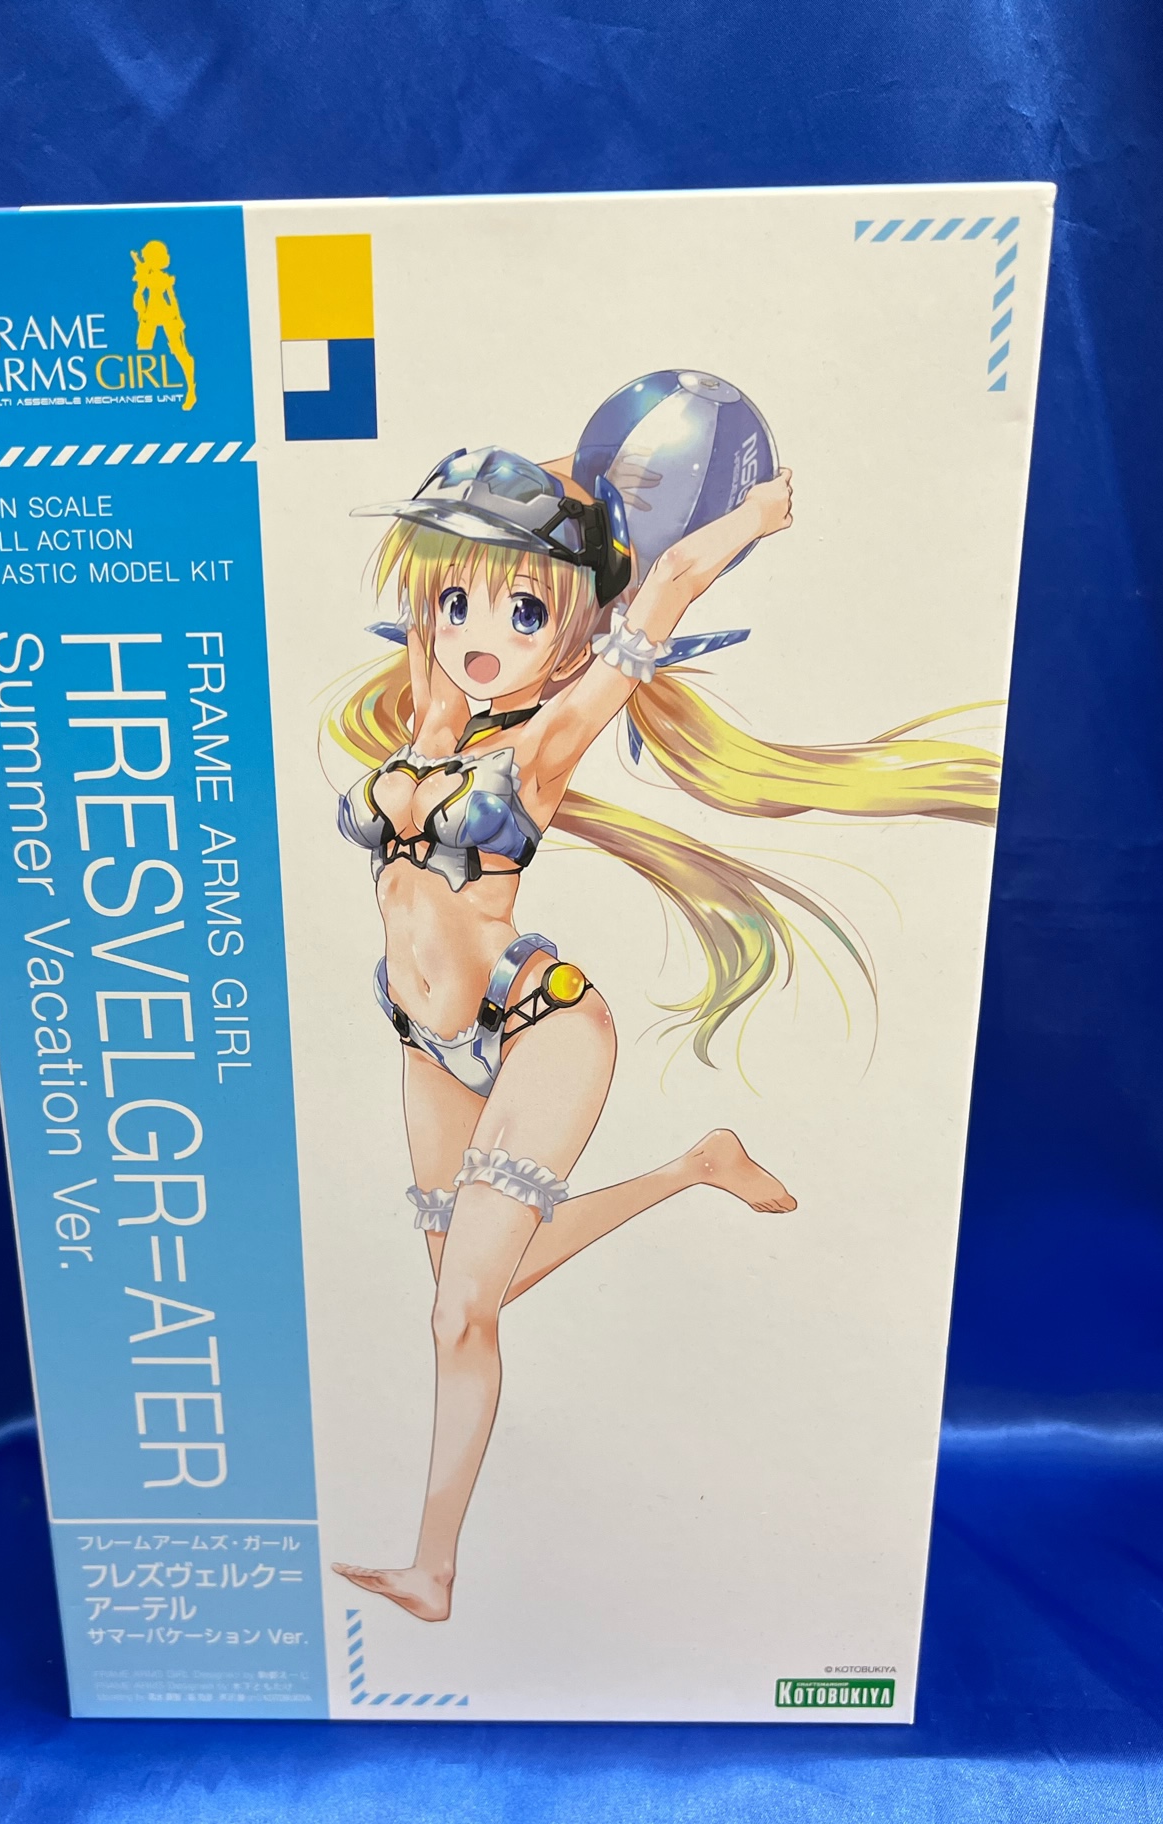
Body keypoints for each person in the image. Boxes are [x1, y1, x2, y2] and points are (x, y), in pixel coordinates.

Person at [328, 442, 998, 1621]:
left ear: (569, 631)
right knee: (469, 1288)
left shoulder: (536, 748)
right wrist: (529, 481)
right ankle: (695, 1167)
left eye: (524, 611)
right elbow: (443, 574)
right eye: (456, 602)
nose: (479, 632)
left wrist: (753, 516)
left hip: (538, 1025)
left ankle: (432, 1571)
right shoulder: (429, 720)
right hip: (423, 1042)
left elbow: (667, 588)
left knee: (458, 1312)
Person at [130, 240, 196, 411]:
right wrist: (142, 313)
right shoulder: (146, 274)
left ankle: (191, 389)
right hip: (151, 314)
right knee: (142, 350)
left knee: (180, 351)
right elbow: (138, 294)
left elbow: (172, 298)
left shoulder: (164, 278)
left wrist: (177, 319)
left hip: (167, 314)